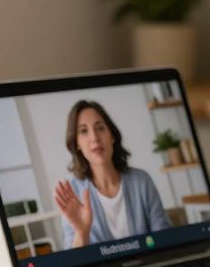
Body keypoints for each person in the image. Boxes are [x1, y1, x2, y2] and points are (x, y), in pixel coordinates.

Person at [53, 100, 172, 249]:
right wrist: (82, 233)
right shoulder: (73, 194)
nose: (95, 138)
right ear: (77, 144)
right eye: (84, 131)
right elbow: (71, 263)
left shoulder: (142, 181)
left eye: (100, 128)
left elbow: (166, 239)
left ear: (112, 136)